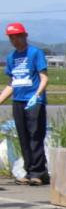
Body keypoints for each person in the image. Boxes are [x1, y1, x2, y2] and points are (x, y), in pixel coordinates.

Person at [0, 23, 50, 185]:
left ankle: (39, 172)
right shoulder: (11, 57)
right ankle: (29, 171)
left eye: (17, 36)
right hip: (18, 101)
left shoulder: (35, 53)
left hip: (34, 101)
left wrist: (37, 95)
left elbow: (44, 78)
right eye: (11, 37)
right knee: (23, 136)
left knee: (35, 135)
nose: (14, 40)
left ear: (25, 36)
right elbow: (12, 83)